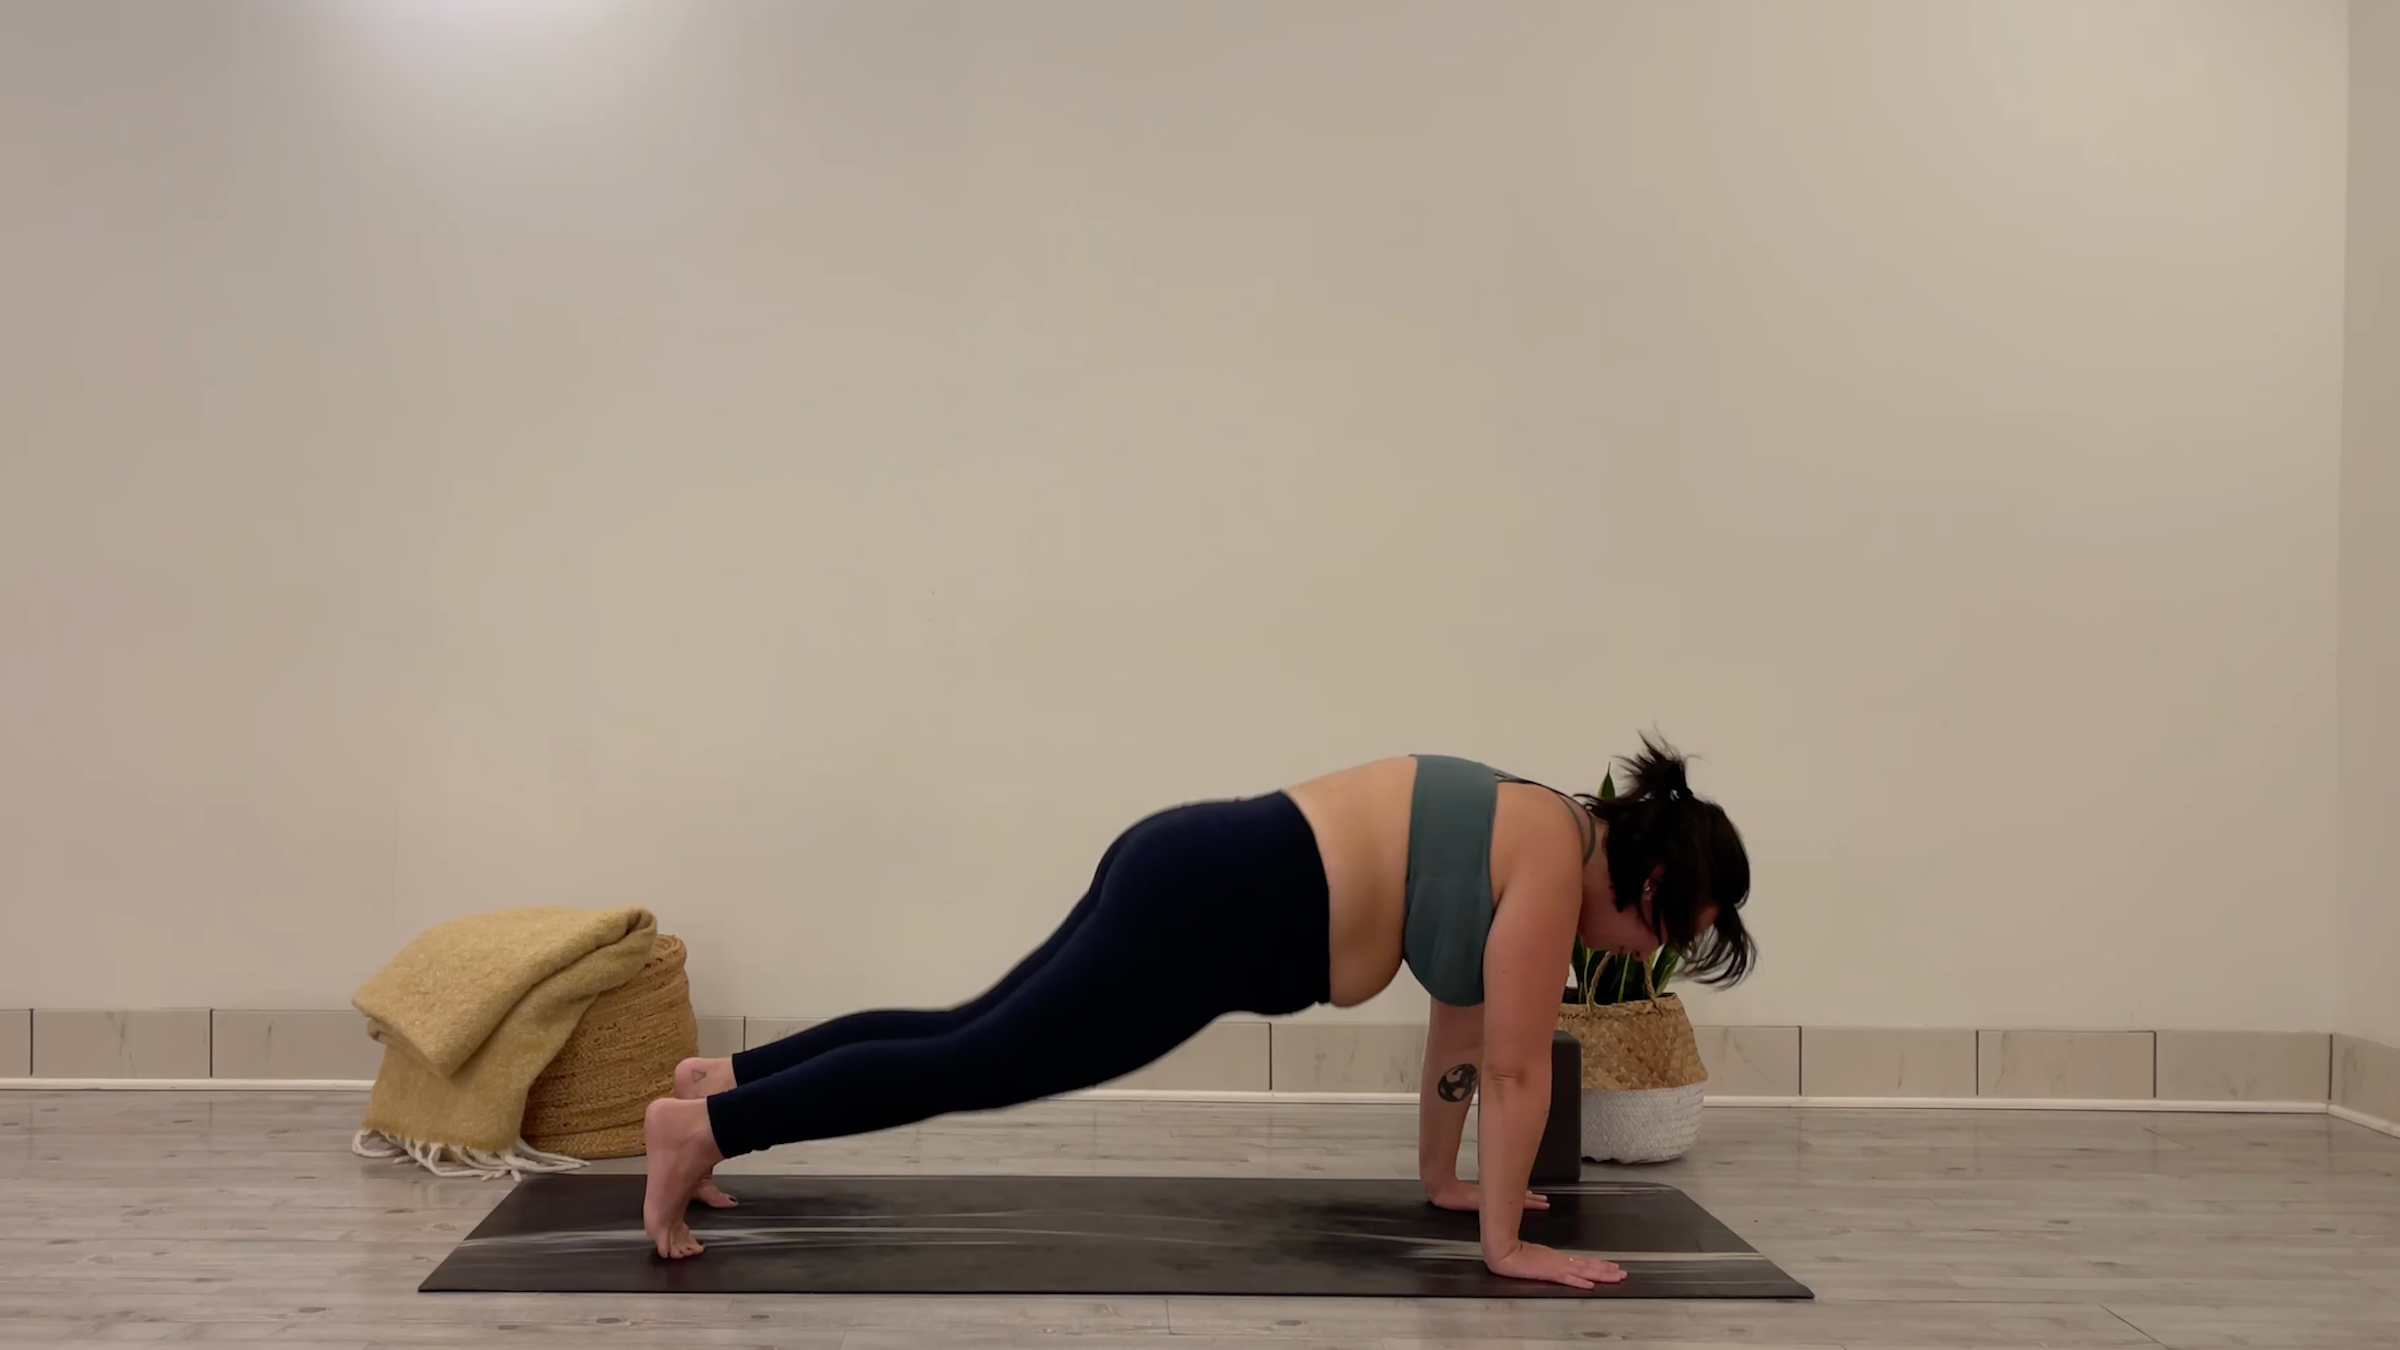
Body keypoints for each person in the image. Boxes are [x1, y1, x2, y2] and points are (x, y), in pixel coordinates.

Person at [642, 734, 1755, 1288]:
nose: (1655, 952)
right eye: (1675, 930)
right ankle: (705, 1129)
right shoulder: (1555, 864)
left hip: (1200, 865)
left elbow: (1462, 1039)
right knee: (979, 1063)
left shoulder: (1536, 832)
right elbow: (1518, 1071)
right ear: (1652, 884)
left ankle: (725, 1084)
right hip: (1220, 904)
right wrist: (1509, 1249)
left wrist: (1447, 1187)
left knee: (967, 1027)